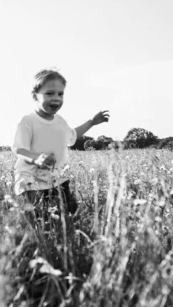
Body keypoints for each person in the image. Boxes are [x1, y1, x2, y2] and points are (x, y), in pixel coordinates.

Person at [12, 69, 109, 218]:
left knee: (71, 214)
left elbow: (73, 136)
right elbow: (19, 149)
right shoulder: (28, 122)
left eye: (60, 94)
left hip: (56, 179)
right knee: (39, 218)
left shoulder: (60, 122)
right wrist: (36, 158)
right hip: (31, 181)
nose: (56, 98)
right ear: (35, 96)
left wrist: (92, 122)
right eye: (49, 93)